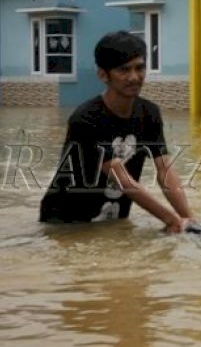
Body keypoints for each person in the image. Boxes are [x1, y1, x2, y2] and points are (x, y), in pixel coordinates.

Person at [39, 31, 192, 233]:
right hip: (66, 222)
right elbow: (119, 176)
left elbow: (164, 169)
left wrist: (187, 218)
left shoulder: (149, 113)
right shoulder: (85, 118)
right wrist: (169, 218)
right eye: (123, 70)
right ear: (103, 75)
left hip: (114, 219)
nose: (134, 77)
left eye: (140, 68)